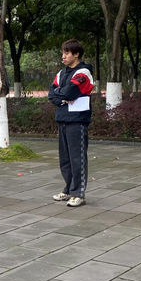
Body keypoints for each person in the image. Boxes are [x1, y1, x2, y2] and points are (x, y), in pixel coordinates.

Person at [48, 39, 94, 207]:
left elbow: (70, 92)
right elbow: (51, 93)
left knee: (77, 158)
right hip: (62, 118)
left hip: (77, 120)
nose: (63, 56)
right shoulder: (61, 73)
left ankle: (78, 193)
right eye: (63, 52)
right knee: (65, 159)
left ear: (76, 54)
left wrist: (60, 93)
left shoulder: (83, 72)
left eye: (67, 53)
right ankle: (68, 189)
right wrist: (61, 97)